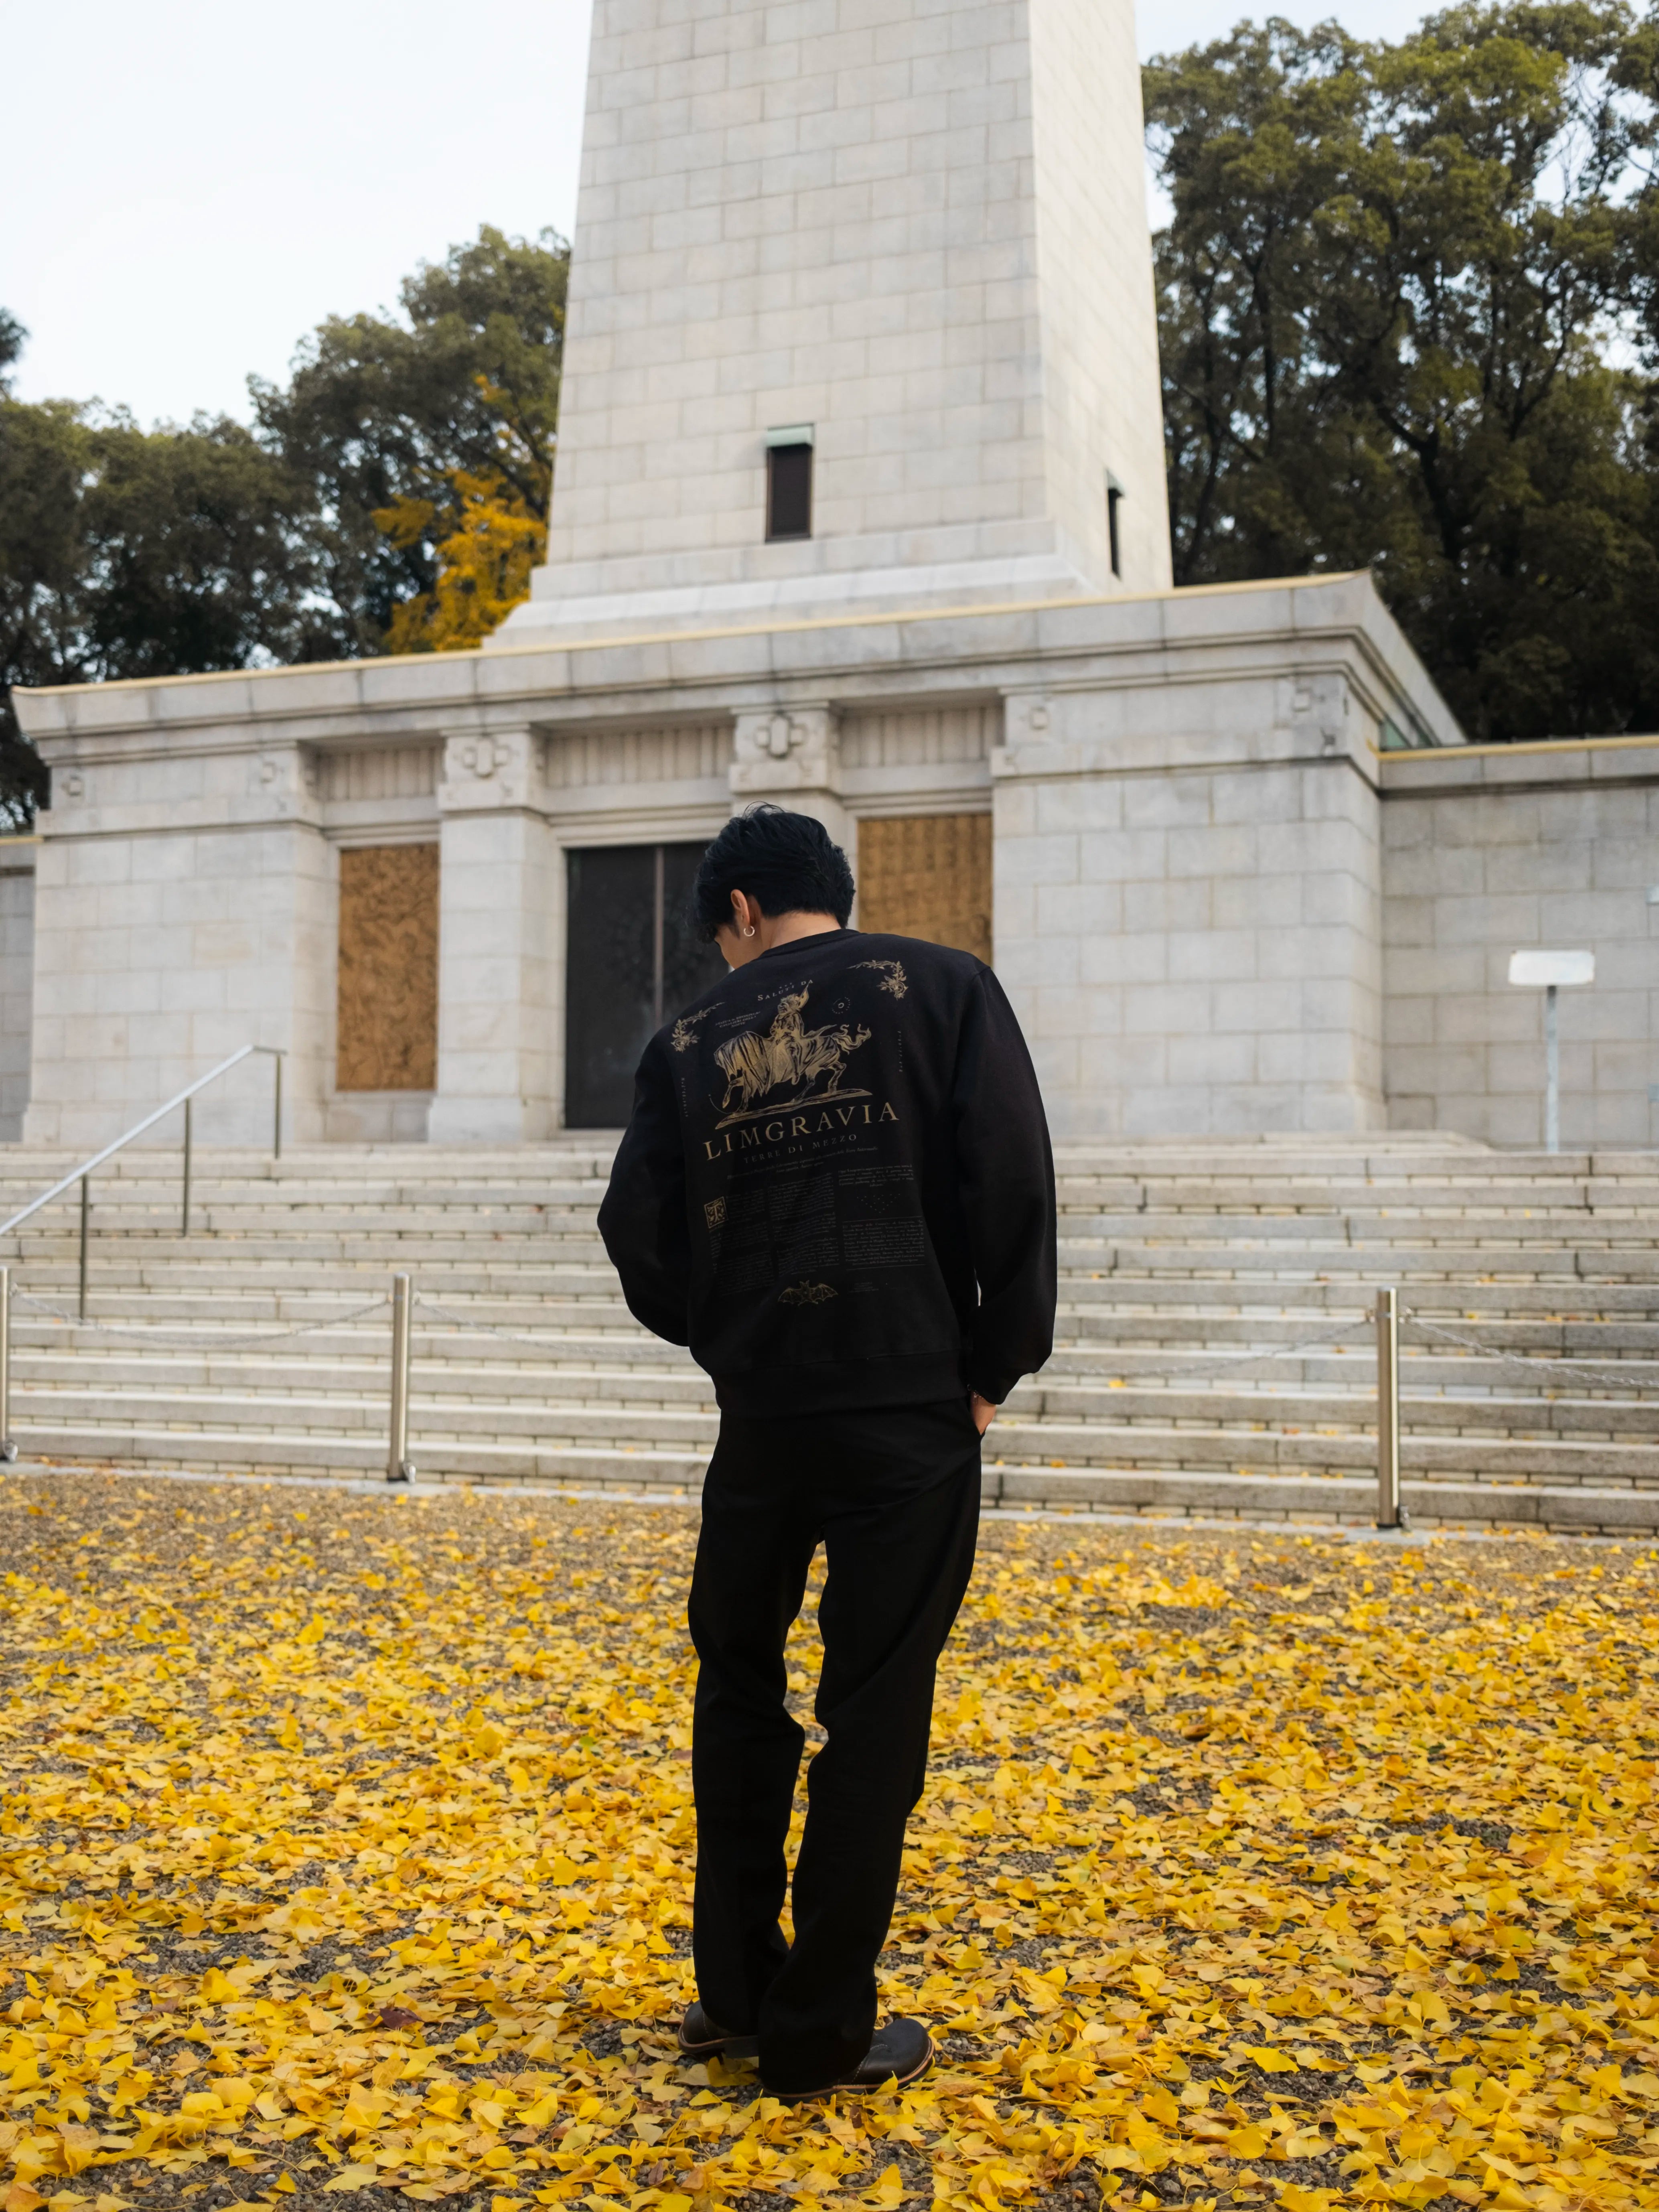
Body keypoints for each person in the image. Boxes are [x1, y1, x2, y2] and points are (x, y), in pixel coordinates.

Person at [598, 804, 1056, 2102]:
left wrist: (726, 1335)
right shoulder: (945, 988)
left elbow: (636, 1228)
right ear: (824, 891)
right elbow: (1013, 1178)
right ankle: (817, 2032)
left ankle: (740, 1994)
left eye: (722, 932)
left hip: (764, 1412)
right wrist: (992, 1367)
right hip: (910, 1402)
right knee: (877, 1703)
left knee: (737, 1685)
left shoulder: (689, 1038)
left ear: (740, 909)